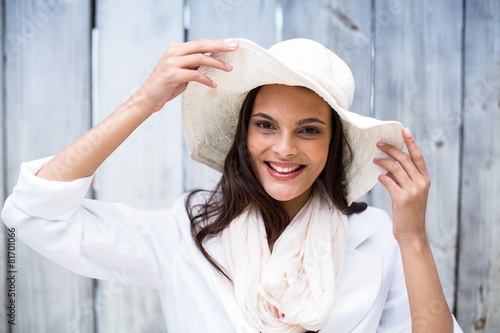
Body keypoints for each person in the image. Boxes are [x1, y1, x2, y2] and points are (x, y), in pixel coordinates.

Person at [2, 38, 463, 332]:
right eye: (266, 125)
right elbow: (33, 214)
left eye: (308, 129)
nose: (284, 148)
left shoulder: (376, 238)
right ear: (245, 133)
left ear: (333, 144)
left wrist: (415, 238)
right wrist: (145, 101)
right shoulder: (185, 231)